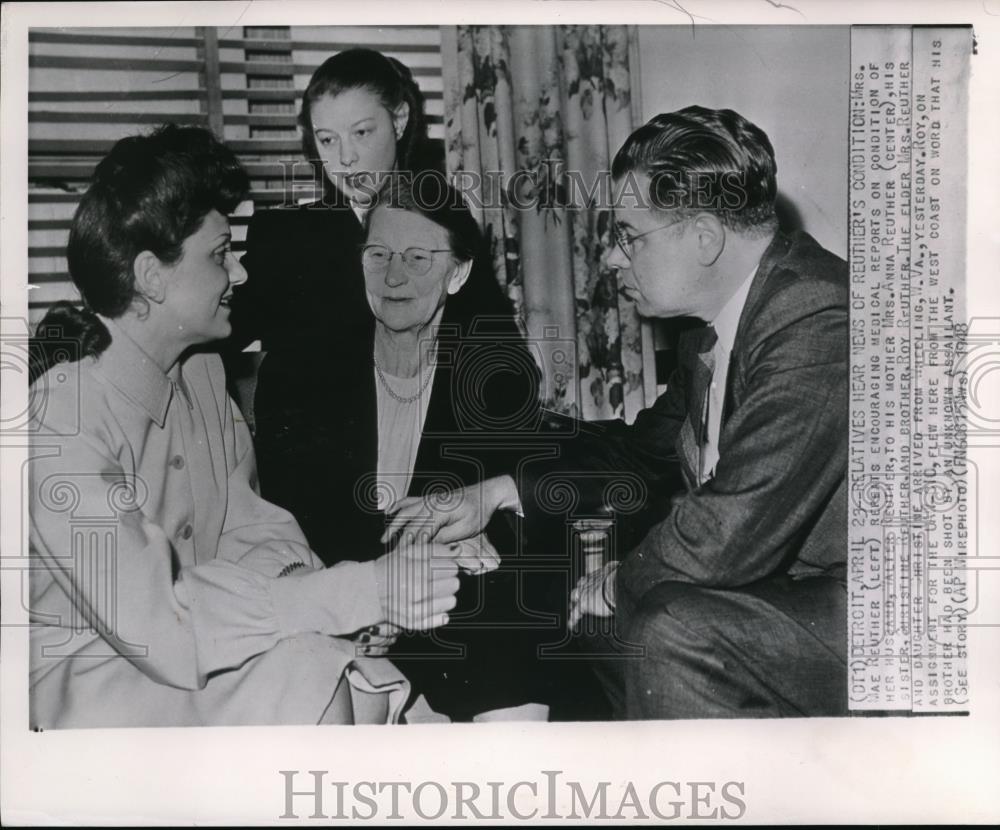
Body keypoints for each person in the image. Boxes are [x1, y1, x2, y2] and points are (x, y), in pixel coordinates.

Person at [386, 106, 849, 719]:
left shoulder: (814, 315)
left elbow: (727, 532)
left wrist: (615, 579)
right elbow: (640, 455)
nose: (610, 258)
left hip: (869, 613)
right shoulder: (711, 329)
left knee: (663, 623)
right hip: (786, 591)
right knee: (587, 617)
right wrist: (497, 491)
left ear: (706, 237)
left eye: (629, 236)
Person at [27, 125, 462, 729]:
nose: (240, 274)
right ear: (153, 277)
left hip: (198, 641)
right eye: (219, 254)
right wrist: (352, 595)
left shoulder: (201, 372)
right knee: (315, 683)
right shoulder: (59, 420)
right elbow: (157, 625)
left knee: (365, 687)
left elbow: (248, 526)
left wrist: (323, 593)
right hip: (89, 678)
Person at [262, 169, 564, 723]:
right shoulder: (301, 373)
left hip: (452, 608)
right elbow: (291, 514)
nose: (393, 277)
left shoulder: (497, 369)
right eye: (378, 255)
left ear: (458, 272)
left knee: (511, 639)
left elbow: (497, 520)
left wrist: (413, 586)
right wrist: (370, 592)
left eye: (418, 259)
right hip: (342, 594)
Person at [225, 47, 439, 507]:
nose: (346, 158)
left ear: (398, 121)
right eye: (327, 140)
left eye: (362, 132)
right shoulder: (283, 237)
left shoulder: (445, 229)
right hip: (307, 498)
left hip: (420, 490)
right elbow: (215, 336)